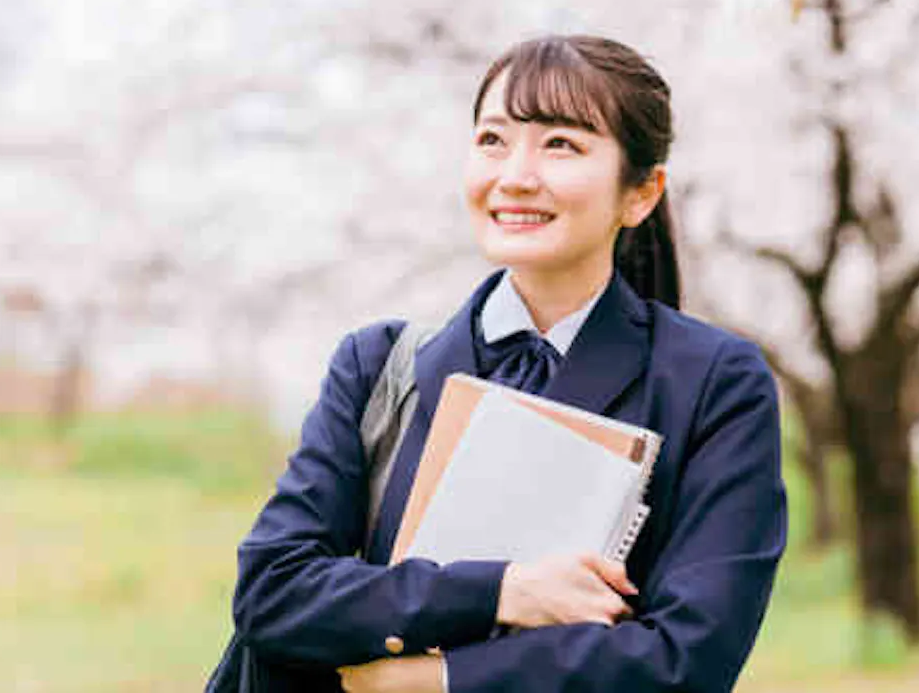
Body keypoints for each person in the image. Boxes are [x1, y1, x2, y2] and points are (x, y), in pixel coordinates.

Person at [217, 35, 787, 693]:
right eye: (493, 140)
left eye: (561, 145)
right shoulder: (378, 365)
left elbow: (691, 657)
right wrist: (501, 590)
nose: (515, 174)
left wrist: (435, 680)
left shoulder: (713, 382)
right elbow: (273, 589)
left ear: (641, 193)